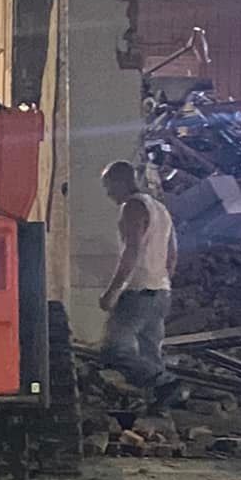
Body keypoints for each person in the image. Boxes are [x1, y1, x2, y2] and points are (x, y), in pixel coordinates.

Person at [98, 159, 179, 398]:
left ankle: (164, 381)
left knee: (114, 349)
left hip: (138, 292)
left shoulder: (132, 207)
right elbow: (172, 255)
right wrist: (162, 282)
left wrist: (112, 291)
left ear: (120, 181)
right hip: (161, 292)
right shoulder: (161, 209)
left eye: (108, 185)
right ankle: (159, 405)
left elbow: (131, 251)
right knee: (149, 352)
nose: (108, 192)